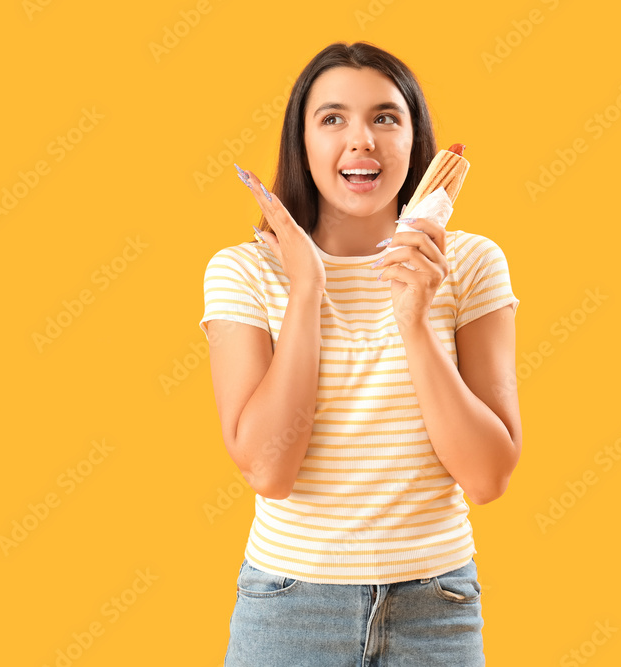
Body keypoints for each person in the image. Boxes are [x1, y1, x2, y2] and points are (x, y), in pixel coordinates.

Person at [199, 41, 522, 667]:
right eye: (333, 118)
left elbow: (487, 477)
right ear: (304, 141)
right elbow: (269, 469)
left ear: (413, 137)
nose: (361, 140)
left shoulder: (471, 263)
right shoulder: (243, 271)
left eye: (384, 117)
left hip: (437, 608)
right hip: (288, 612)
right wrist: (306, 291)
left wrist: (416, 322)